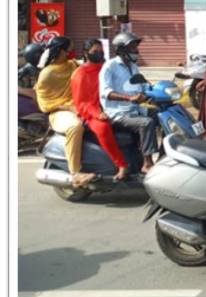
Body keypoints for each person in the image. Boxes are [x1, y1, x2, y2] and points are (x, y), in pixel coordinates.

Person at [33, 36, 97, 188]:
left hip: (79, 106)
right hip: (58, 111)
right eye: (70, 49)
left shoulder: (72, 64)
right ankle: (75, 174)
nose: (72, 52)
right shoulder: (47, 73)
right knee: (75, 127)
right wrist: (68, 107)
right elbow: (45, 104)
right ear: (62, 51)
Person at [99, 32, 159, 173]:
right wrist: (129, 98)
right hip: (118, 113)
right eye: (132, 47)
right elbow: (105, 92)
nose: (136, 50)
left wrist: (154, 92)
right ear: (121, 49)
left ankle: (163, 155)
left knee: (161, 115)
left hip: (134, 110)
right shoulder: (110, 66)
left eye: (136, 47)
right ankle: (147, 163)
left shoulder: (133, 67)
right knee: (146, 123)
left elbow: (142, 85)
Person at [72, 39, 129, 181]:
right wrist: (98, 114)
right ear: (86, 53)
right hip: (92, 113)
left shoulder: (107, 68)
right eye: (95, 52)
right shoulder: (81, 73)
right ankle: (121, 164)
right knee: (103, 128)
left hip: (114, 106)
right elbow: (82, 103)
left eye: (101, 51)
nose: (99, 54)